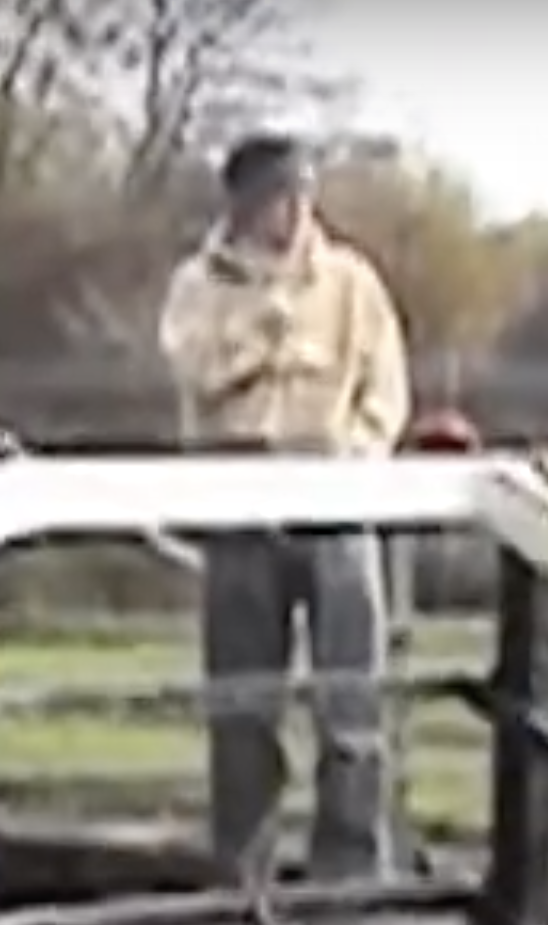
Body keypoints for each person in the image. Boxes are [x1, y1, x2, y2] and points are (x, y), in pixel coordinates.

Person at [157, 132, 413, 885]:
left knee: (351, 699)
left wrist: (356, 459)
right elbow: (195, 375)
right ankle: (241, 866)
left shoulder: (352, 283)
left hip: (333, 495)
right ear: (241, 204)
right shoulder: (198, 287)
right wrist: (259, 333)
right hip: (239, 494)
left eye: (303, 195)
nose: (294, 214)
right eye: (277, 198)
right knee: (242, 702)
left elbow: (386, 387)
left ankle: (352, 865)